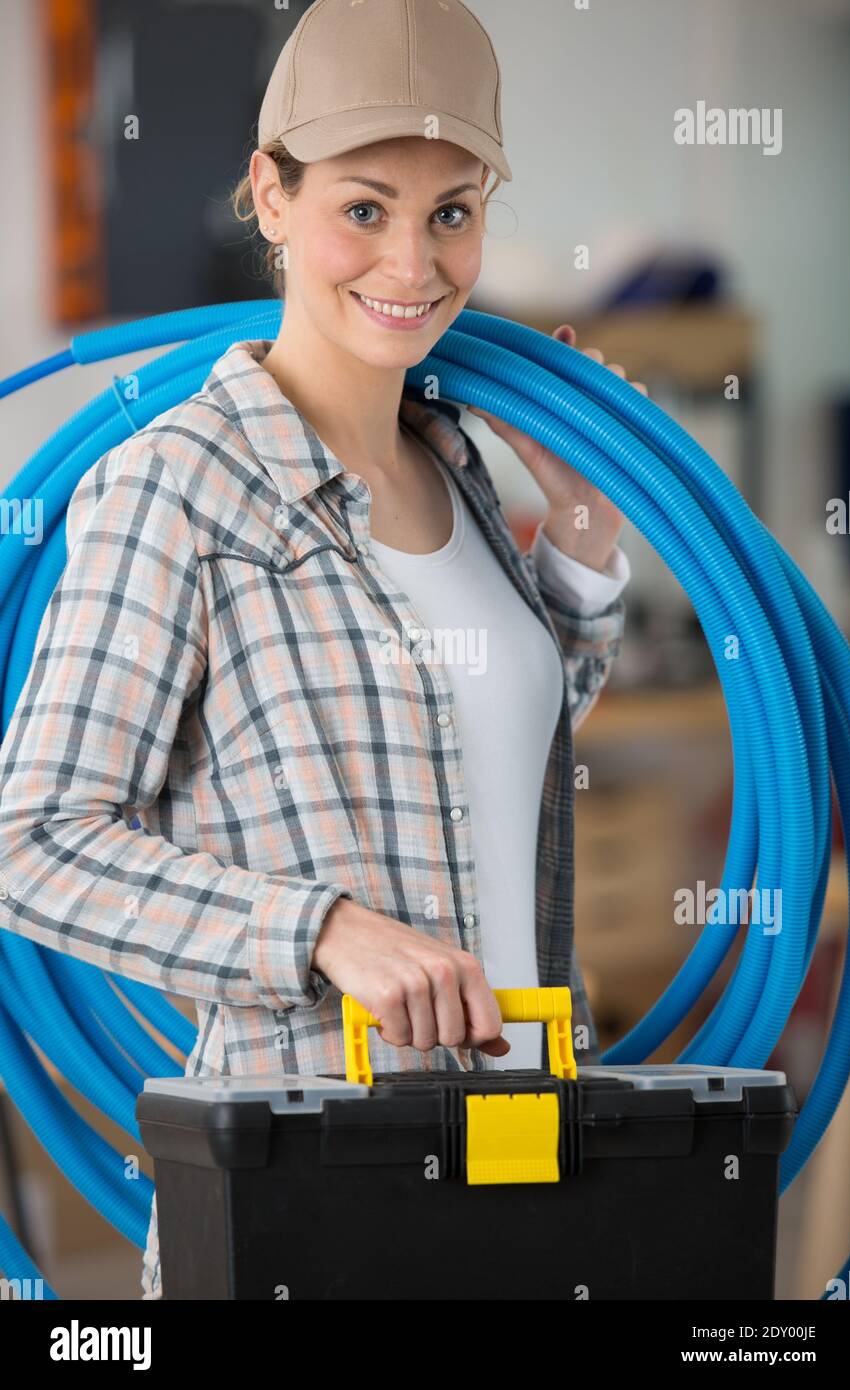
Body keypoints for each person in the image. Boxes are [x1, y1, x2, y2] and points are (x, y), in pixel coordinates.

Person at [0, 0, 644, 1300]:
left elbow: (489, 759)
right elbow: (31, 841)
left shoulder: (457, 465)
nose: (412, 262)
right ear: (269, 193)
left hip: (525, 1157)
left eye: (450, 211)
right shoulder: (177, 485)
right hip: (306, 1190)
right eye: (363, 207)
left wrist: (580, 522)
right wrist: (326, 930)